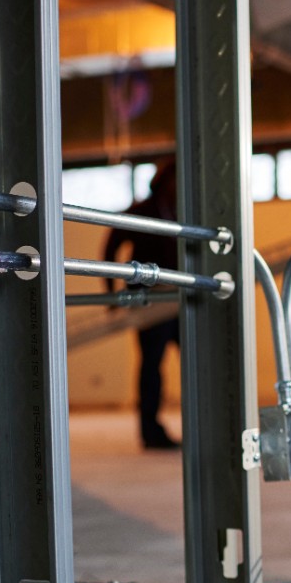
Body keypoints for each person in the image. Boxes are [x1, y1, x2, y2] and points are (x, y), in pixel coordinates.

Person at [102, 160, 181, 450]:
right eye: (174, 180)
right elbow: (110, 248)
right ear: (164, 181)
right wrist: (112, 295)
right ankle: (151, 431)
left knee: (198, 358)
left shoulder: (179, 212)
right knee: (152, 365)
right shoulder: (143, 212)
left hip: (178, 300)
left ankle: (201, 421)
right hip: (149, 301)